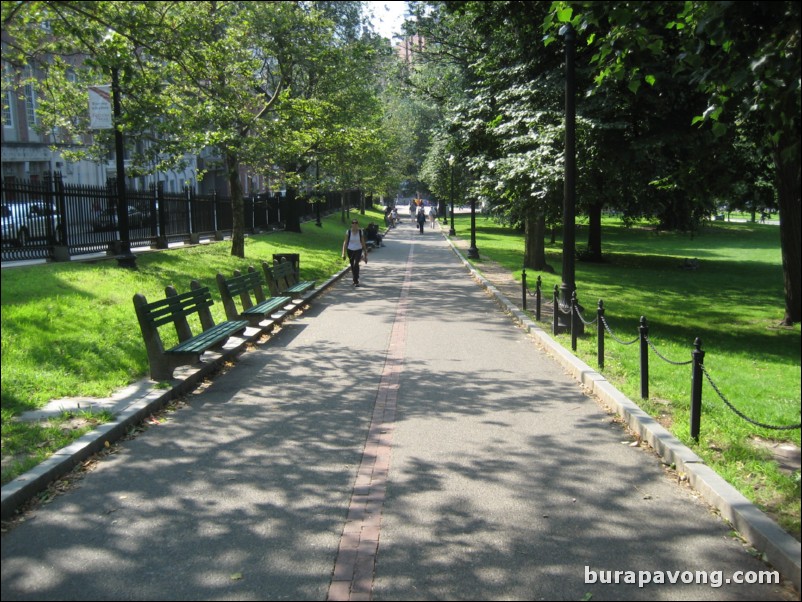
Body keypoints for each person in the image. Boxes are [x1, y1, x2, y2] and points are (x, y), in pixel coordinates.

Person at [342, 218, 368, 286]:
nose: (354, 224)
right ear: (351, 224)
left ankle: (356, 280)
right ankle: (355, 278)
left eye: (356, 223)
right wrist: (343, 253)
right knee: (352, 265)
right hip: (350, 249)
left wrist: (365, 252)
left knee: (356, 264)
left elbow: (363, 242)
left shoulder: (360, 232)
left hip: (358, 249)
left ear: (357, 224)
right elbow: (345, 242)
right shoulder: (348, 232)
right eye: (353, 223)